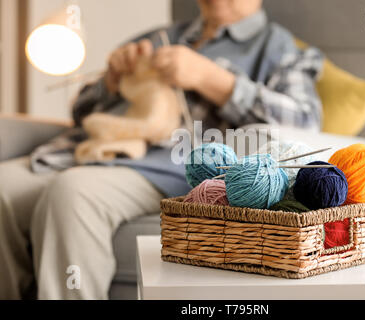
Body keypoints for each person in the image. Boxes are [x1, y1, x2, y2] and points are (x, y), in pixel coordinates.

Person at [0, 0, 323, 299]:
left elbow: (304, 122)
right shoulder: (160, 37)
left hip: (170, 165)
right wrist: (110, 82)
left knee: (73, 193)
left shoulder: (280, 48)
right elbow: (80, 111)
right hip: (83, 151)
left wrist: (213, 79)